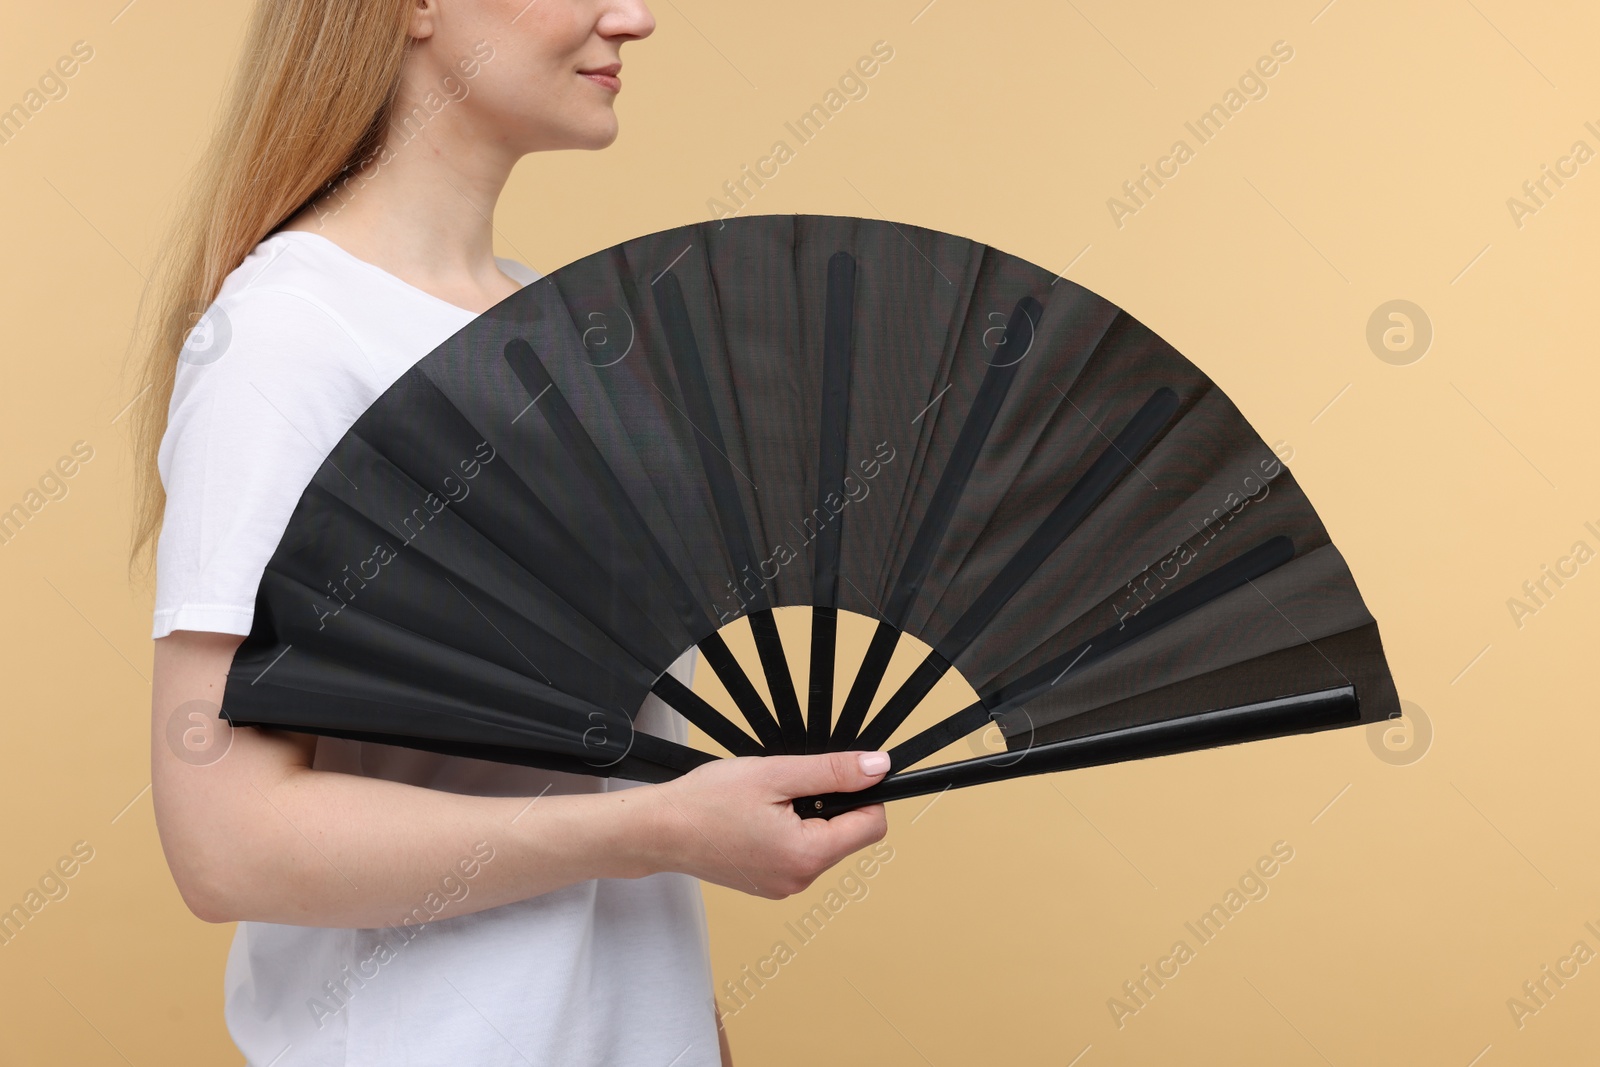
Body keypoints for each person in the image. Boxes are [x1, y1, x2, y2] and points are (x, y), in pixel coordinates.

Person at [125, 3, 891, 1064]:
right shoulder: (289, 339)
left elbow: (619, 764)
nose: (634, 15)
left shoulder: (555, 330)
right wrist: (658, 830)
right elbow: (224, 841)